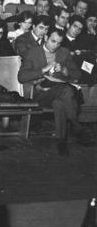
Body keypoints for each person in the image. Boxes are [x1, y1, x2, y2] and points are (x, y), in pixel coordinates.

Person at [18, 28, 88, 156]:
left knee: (59, 102)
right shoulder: (33, 52)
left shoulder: (64, 52)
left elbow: (77, 74)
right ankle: (76, 125)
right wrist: (43, 70)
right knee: (66, 91)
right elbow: (21, 76)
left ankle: (61, 142)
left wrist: (65, 71)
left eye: (59, 43)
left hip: (60, 93)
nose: (55, 45)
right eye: (53, 41)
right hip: (41, 94)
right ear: (46, 38)